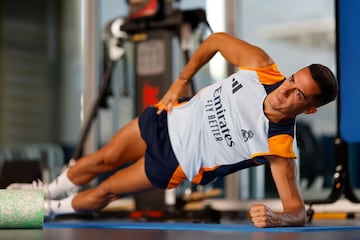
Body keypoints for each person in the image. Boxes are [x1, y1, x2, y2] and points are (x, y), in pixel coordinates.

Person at [8, 32, 338, 228]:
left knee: (107, 190)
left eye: (298, 93)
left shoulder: (279, 144)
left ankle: (47, 210)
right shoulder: (263, 68)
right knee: (100, 159)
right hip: (167, 119)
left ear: (308, 108)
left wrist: (276, 217)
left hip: (176, 161)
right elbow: (216, 41)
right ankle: (46, 191)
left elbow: (297, 211)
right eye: (294, 78)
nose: (286, 88)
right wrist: (180, 82)